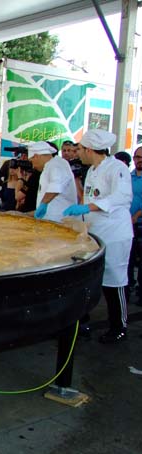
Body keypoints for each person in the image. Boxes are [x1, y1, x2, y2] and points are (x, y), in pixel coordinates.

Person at [63, 129, 133, 344]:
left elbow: (121, 197)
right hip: (96, 231)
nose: (77, 153)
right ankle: (83, 319)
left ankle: (119, 326)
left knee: (114, 280)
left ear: (90, 149)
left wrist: (88, 206)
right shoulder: (92, 169)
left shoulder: (117, 168)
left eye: (79, 149)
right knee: (91, 277)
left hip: (115, 233)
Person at [28, 141, 77, 222]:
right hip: (49, 218)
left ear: (36, 156)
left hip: (60, 220)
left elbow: (56, 187)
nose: (33, 166)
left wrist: (43, 204)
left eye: (31, 161)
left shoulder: (57, 164)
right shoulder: (48, 166)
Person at [128, 146, 142, 305]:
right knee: (129, 258)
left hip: (139, 224)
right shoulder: (128, 176)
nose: (139, 160)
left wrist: (137, 215)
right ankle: (129, 285)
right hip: (128, 225)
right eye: (137, 157)